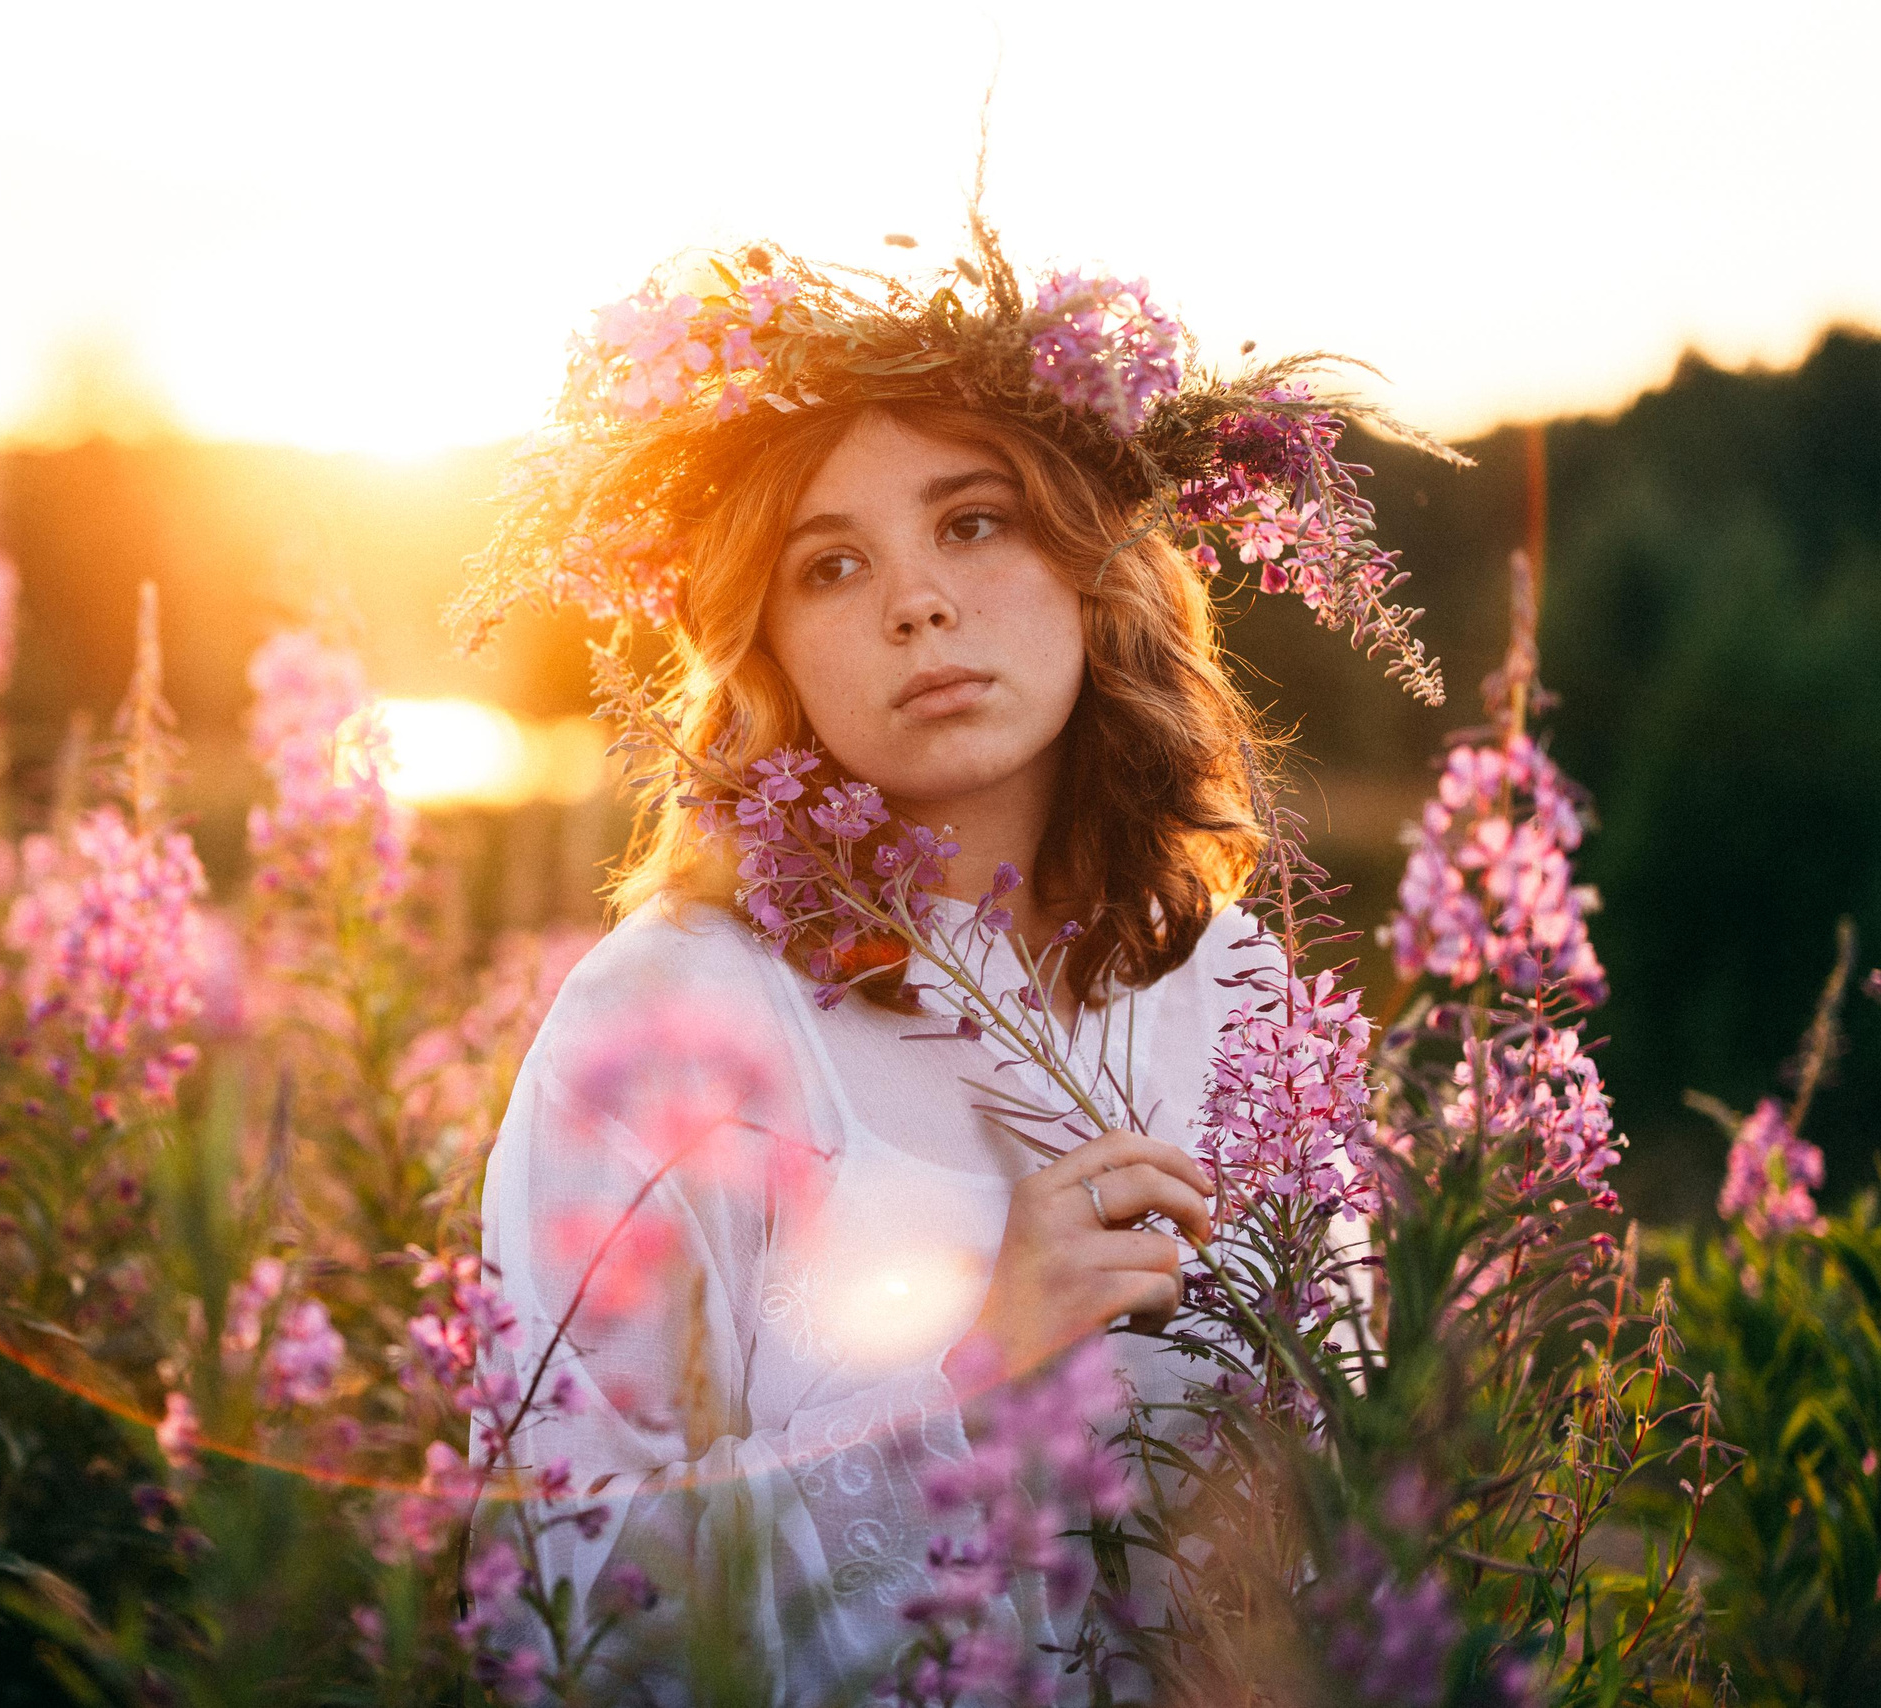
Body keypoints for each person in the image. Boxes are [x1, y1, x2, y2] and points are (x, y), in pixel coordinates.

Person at [458, 232, 1432, 1703]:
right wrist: (978, 1377)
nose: (915, 602)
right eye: (832, 564)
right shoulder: (674, 1016)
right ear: (766, 640)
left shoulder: (1239, 992)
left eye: (973, 523)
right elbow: (560, 1606)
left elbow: (1357, 1516)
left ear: (1095, 564)